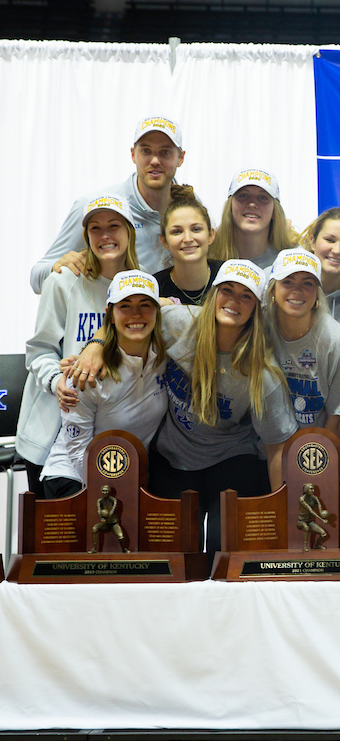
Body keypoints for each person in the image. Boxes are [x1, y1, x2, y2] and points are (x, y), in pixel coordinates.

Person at [72, 260, 298, 562]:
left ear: (257, 309)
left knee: (225, 549)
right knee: (172, 554)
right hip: (172, 458)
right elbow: (128, 314)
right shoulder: (178, 323)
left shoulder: (262, 375)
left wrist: (281, 520)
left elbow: (277, 450)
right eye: (227, 290)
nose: (233, 301)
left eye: (246, 296)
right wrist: (96, 345)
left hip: (231, 460)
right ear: (213, 294)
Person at [17, 195, 140, 498]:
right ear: (85, 236)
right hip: (50, 433)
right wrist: (57, 381)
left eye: (114, 226)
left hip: (113, 440)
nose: (105, 235)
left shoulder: (142, 287)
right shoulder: (63, 281)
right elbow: (39, 350)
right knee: (53, 537)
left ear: (130, 232)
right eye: (95, 228)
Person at [39, 271, 168, 499]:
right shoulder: (88, 372)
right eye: (125, 306)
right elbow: (78, 451)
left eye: (145, 305)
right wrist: (118, 490)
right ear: (109, 314)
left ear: (158, 311)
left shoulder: (164, 357)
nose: (136, 314)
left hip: (128, 478)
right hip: (74, 478)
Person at [31, 116, 184, 293]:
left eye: (165, 152)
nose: (155, 160)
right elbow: (37, 278)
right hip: (110, 317)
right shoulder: (94, 207)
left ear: (181, 158)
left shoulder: (190, 208)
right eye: (146, 151)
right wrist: (57, 268)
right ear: (133, 154)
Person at [264, 249, 340, 445]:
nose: (297, 290)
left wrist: (315, 470)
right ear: (273, 290)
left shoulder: (338, 341)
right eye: (287, 281)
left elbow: (337, 420)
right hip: (277, 440)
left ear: (318, 294)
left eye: (307, 283)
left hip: (335, 441)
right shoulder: (258, 328)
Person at [208, 168, 298, 269]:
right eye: (243, 195)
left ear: (274, 210)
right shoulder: (208, 255)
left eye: (263, 197)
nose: (252, 204)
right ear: (230, 207)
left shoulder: (294, 257)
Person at [154, 185, 221, 306]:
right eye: (177, 231)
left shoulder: (227, 276)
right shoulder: (154, 288)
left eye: (196, 229)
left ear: (210, 235)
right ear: (164, 241)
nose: (188, 239)